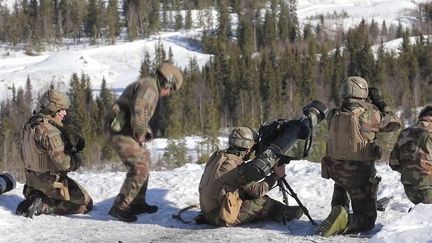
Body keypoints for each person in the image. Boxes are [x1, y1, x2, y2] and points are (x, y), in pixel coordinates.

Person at [316, 76, 401, 236]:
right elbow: (395, 122)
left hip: (336, 172)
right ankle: (346, 221)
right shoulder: (369, 115)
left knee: (342, 180)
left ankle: (339, 207)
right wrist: (379, 102)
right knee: (367, 221)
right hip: (358, 175)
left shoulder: (333, 115)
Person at [105, 61, 183, 222]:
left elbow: (138, 114)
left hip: (124, 128)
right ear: (166, 82)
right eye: (170, 89)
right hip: (119, 130)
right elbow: (139, 113)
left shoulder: (149, 85)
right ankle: (119, 207)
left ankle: (137, 202)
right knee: (139, 165)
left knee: (144, 158)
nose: (168, 93)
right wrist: (140, 134)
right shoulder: (150, 89)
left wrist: (143, 132)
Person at [198, 127, 303, 227]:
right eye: (253, 147)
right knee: (262, 202)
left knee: (246, 193)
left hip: (207, 210)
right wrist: (276, 175)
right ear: (248, 149)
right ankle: (283, 213)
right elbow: (258, 191)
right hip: (219, 217)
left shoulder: (218, 155)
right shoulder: (236, 167)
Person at [16, 89, 93, 218]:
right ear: (53, 108)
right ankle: (44, 206)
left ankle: (36, 196)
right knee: (86, 204)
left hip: (31, 183)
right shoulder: (50, 131)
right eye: (62, 109)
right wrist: (77, 159)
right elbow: (65, 164)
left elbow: (23, 156)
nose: (65, 113)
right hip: (51, 185)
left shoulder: (29, 125)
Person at [389, 105, 432, 205]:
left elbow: (393, 163)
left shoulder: (405, 133)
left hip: (410, 191)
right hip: (429, 190)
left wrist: (411, 172)